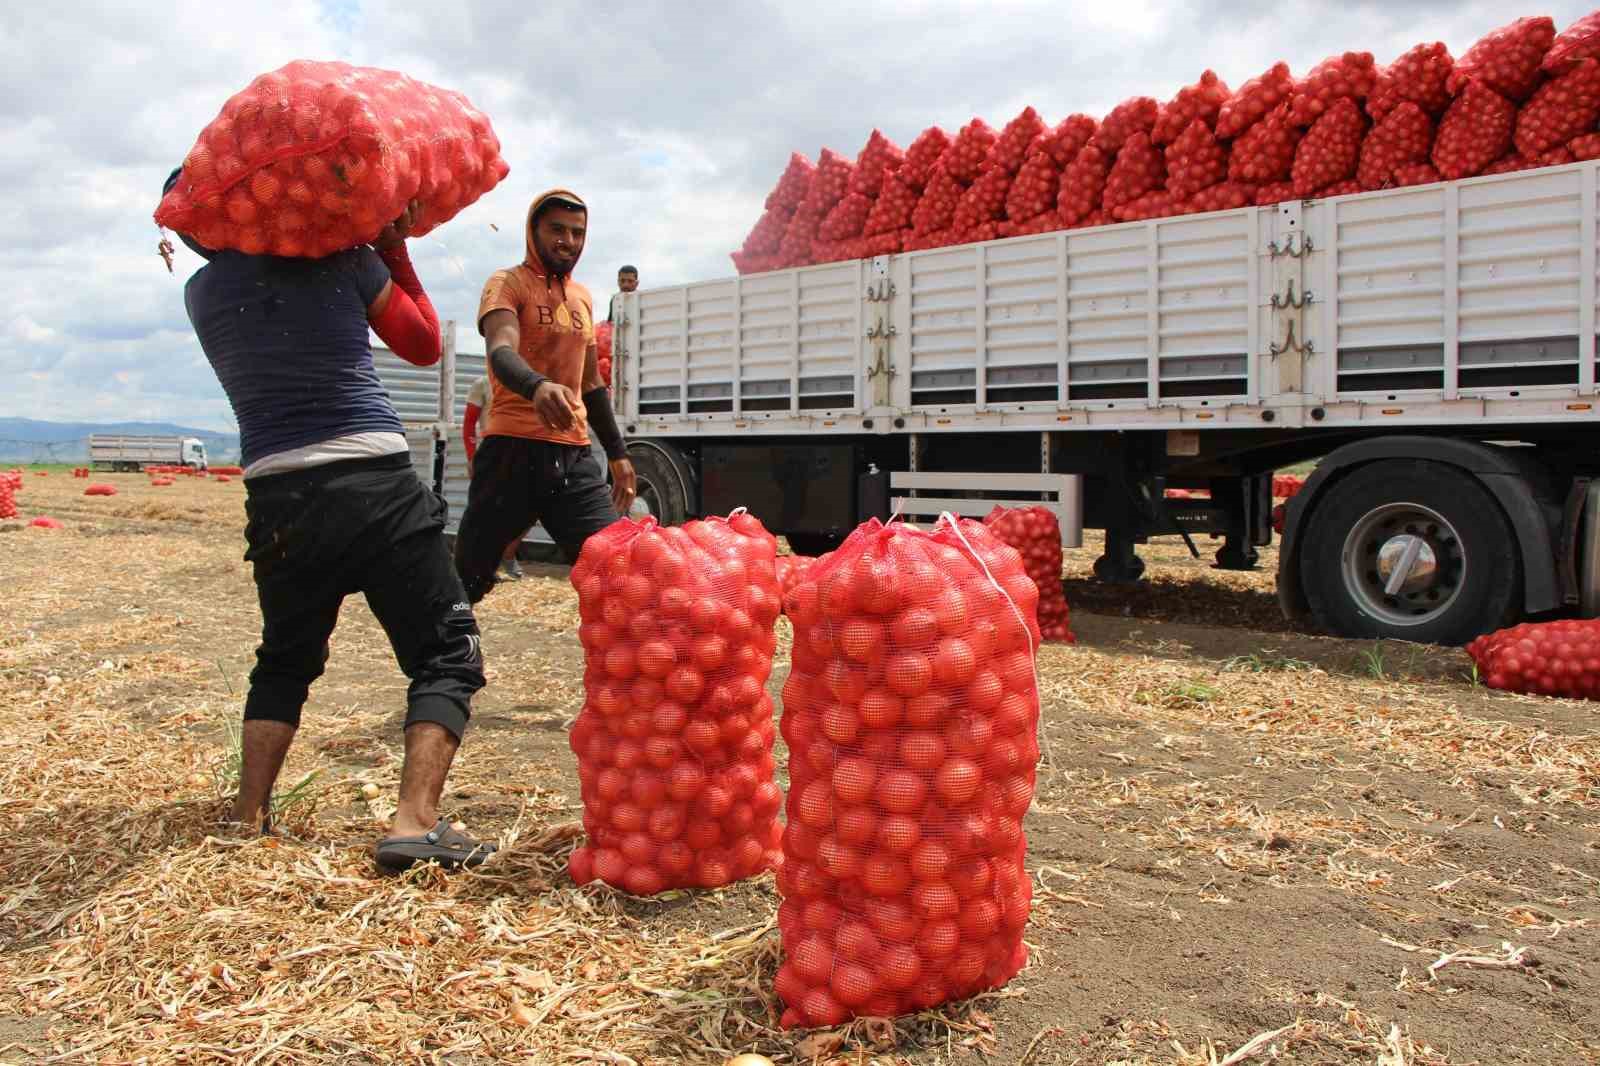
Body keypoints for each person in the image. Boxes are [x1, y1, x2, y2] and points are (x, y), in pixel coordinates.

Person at [166, 167, 494, 872]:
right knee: (447, 651)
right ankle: (413, 823)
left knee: (284, 659)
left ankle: (247, 819)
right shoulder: (343, 257)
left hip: (278, 497)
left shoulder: (201, 292)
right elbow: (423, 343)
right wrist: (392, 243)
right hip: (372, 482)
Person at [454, 189, 636, 602]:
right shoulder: (507, 284)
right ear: (532, 230)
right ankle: (449, 662)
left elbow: (591, 383)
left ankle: (620, 665)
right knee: (465, 583)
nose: (568, 242)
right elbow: (501, 349)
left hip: (572, 456)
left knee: (614, 575)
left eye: (577, 233)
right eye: (557, 229)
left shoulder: (583, 298)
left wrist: (618, 454)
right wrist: (535, 386)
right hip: (510, 454)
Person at [462, 374, 524, 581]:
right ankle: (486, 564)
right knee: (487, 510)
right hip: (492, 452)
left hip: (524, 452)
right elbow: (469, 422)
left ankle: (507, 554)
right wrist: (471, 457)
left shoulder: (527, 379)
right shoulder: (483, 382)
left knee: (525, 511)